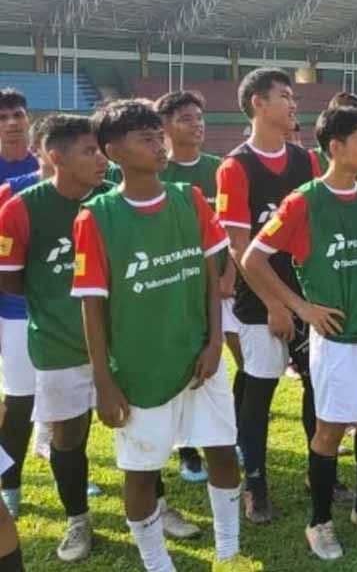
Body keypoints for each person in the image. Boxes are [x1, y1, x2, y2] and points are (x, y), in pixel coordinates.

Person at [71, 99, 245, 571]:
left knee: (223, 451)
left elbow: (212, 276)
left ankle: (228, 550)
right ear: (114, 152)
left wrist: (213, 343)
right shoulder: (97, 217)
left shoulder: (190, 199)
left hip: (199, 358)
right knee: (142, 471)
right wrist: (104, 382)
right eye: (145, 138)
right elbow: (92, 305)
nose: (159, 144)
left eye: (158, 134)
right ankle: (156, 562)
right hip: (140, 367)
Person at [243, 105, 357, 559]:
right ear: (336, 147)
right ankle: (319, 522)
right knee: (330, 430)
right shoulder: (304, 201)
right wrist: (299, 307)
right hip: (338, 339)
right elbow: (253, 258)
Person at [215, 68, 328, 523]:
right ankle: (255, 482)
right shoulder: (234, 167)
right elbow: (241, 249)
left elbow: (315, 233)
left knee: (318, 384)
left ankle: (317, 469)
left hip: (308, 297)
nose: (293, 104)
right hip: (259, 302)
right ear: (257, 104)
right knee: (259, 391)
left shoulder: (307, 163)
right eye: (284, 96)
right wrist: (276, 304)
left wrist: (307, 299)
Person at [0, 115, 110, 561]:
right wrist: (57, 303)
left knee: (138, 426)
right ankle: (77, 520)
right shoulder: (19, 209)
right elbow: (10, 280)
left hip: (121, 342)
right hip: (58, 344)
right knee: (67, 435)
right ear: (56, 157)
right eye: (90, 151)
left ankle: (155, 507)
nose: (102, 158)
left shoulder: (112, 199)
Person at [156, 90, 224, 484]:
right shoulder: (155, 174)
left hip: (219, 287)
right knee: (181, 365)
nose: (196, 124)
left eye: (200, 117)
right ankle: (186, 450)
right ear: (163, 127)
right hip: (173, 287)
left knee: (219, 365)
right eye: (185, 118)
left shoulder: (219, 168)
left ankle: (219, 438)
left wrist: (228, 275)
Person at [0, 90, 40, 520]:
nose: (11, 122)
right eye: (3, 117)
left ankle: (10, 481)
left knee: (24, 393)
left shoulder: (46, 168)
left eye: (17, 114)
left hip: (22, 303)